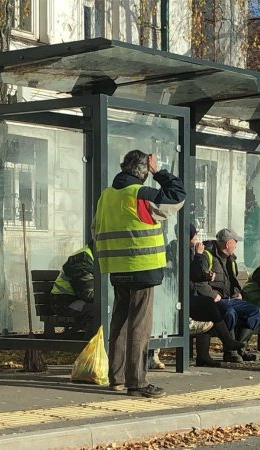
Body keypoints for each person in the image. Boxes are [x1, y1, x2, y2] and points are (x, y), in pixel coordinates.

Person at [94, 150, 185, 399]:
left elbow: (96, 228)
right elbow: (177, 197)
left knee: (120, 322)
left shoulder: (107, 195)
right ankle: (138, 382)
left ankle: (117, 379)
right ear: (144, 170)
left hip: (117, 267)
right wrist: (160, 173)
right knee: (139, 325)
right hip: (142, 267)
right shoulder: (141, 194)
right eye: (148, 170)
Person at [194, 228, 260, 363]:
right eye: (235, 242)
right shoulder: (207, 255)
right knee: (229, 313)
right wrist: (213, 294)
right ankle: (230, 351)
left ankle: (239, 348)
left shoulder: (231, 259)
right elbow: (199, 282)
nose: (236, 245)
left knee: (255, 312)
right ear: (227, 244)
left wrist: (237, 291)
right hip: (214, 300)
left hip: (231, 299)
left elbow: (233, 280)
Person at [188, 223, 246, 367]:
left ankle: (207, 354)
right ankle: (227, 342)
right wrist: (200, 256)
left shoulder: (191, 250)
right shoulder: (194, 252)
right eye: (195, 236)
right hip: (181, 297)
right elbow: (196, 274)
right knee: (208, 305)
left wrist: (237, 292)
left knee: (253, 311)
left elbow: (198, 274)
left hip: (193, 295)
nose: (197, 239)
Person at [50, 240, 97, 337]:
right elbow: (88, 294)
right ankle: (91, 348)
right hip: (64, 302)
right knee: (96, 311)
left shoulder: (96, 256)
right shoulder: (81, 259)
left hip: (78, 299)